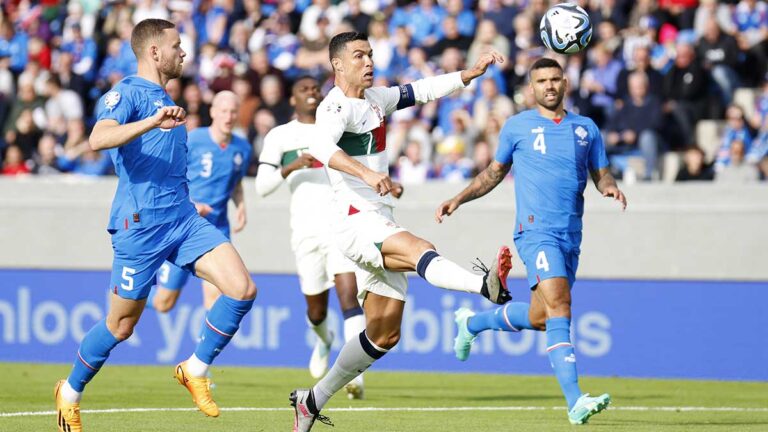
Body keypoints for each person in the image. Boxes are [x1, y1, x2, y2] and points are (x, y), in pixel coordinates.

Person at [290, 32, 512, 432]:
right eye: (359, 56)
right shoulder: (333, 107)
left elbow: (422, 90)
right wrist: (367, 173)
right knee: (419, 247)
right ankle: (484, 286)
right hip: (355, 219)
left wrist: (470, 73)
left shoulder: (376, 100)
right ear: (338, 64)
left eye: (371, 54)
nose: (369, 61)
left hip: (378, 217)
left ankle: (312, 400)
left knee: (384, 335)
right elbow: (323, 149)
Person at [54, 19, 256, 432]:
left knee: (242, 289)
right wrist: (151, 121)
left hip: (182, 219)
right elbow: (97, 138)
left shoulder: (168, 98)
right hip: (139, 226)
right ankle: (70, 393)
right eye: (177, 46)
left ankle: (195, 368)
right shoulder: (126, 93)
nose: (183, 52)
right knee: (121, 326)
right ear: (154, 52)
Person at [435, 58, 627, 426]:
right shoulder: (518, 127)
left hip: (571, 234)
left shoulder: (586, 128)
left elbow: (600, 174)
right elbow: (493, 173)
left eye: (555, 79)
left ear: (566, 83)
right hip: (536, 231)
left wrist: (611, 187)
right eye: (542, 81)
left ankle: (471, 325)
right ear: (531, 87)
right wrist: (458, 198)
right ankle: (575, 401)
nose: (549, 86)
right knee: (560, 303)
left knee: (541, 317)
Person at [256, 76, 381, 398]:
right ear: (292, 99)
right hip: (305, 233)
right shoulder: (281, 136)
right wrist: (293, 166)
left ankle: (355, 377)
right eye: (304, 88)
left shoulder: (336, 127)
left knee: (350, 301)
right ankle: (324, 341)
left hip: (341, 228)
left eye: (315, 88)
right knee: (316, 312)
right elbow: (261, 187)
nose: (311, 92)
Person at [147, 90, 251, 338]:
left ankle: (201, 367)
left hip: (217, 229)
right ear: (213, 112)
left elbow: (235, 183)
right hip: (184, 227)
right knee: (164, 303)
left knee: (216, 296)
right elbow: (169, 178)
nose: (228, 116)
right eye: (223, 110)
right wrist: (191, 203)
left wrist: (241, 205)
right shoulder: (194, 140)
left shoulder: (242, 148)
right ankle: (131, 293)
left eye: (233, 111)